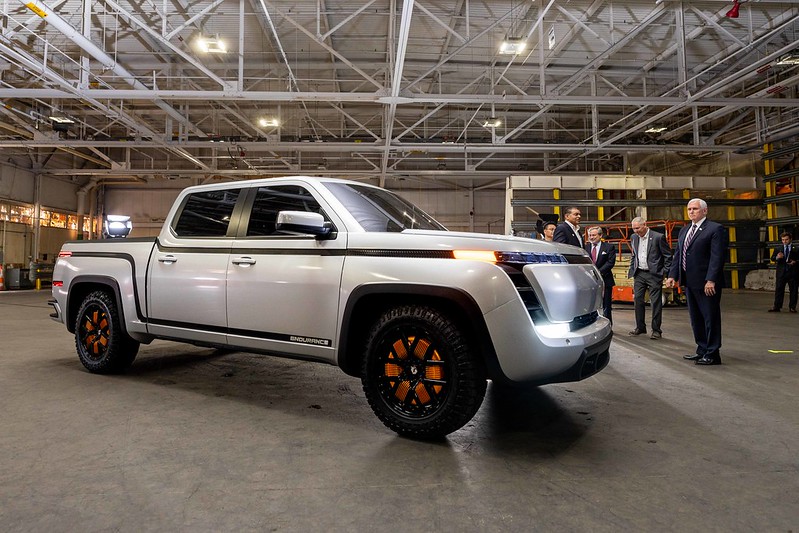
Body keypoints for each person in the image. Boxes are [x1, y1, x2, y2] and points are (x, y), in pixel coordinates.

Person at [666, 198, 727, 366]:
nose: (691, 211)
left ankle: (713, 353)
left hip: (706, 283)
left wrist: (711, 280)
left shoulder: (715, 229)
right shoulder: (684, 231)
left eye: (695, 209)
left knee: (710, 318)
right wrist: (672, 275)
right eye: (689, 209)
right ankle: (702, 349)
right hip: (689, 282)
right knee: (696, 318)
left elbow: (717, 257)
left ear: (704, 211)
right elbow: (678, 254)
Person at [627, 216, 672, 339]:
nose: (636, 231)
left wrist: (665, 273)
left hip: (654, 274)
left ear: (645, 225)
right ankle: (640, 327)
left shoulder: (658, 237)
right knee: (638, 301)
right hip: (639, 273)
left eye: (638, 228)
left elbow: (668, 256)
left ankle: (656, 330)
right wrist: (632, 269)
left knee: (655, 302)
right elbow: (634, 255)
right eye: (633, 229)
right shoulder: (634, 237)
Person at [585, 226, 616, 325]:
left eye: (594, 235)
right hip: (589, 281)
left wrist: (597, 272)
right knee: (590, 304)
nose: (591, 237)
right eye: (590, 235)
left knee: (606, 305)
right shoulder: (585, 248)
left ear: (600, 235)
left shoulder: (609, 247)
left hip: (605, 279)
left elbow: (610, 262)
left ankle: (608, 325)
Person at [768, 232, 798, 313]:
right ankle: (777, 307)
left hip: (793, 272)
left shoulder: (796, 248)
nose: (784, 241)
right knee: (779, 290)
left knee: (794, 290)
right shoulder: (778, 248)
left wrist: (795, 262)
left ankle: (792, 307)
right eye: (783, 240)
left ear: (791, 239)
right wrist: (777, 257)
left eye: (786, 239)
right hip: (781, 272)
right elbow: (772, 258)